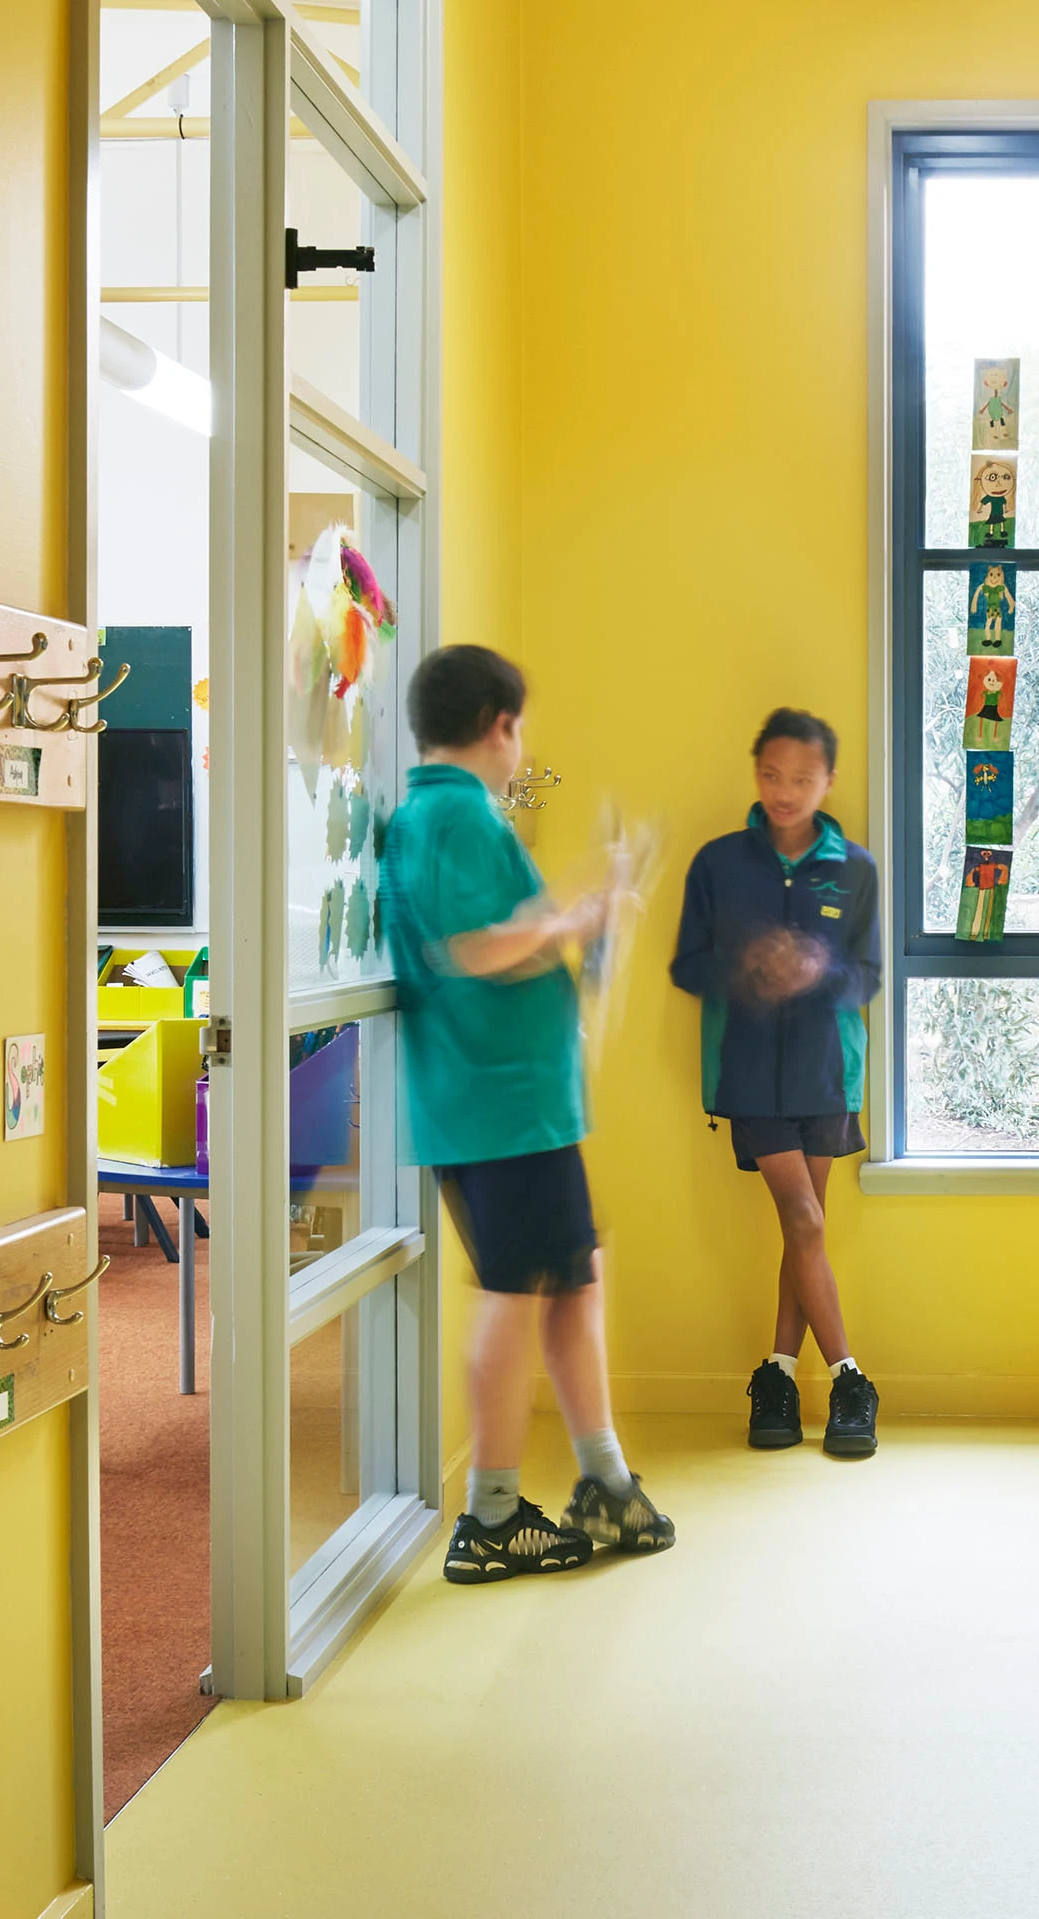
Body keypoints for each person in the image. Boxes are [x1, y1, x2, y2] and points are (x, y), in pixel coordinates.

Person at [378, 643, 676, 1580]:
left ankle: (607, 1486)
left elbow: (503, 940)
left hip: (495, 1104)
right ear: (502, 726)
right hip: (505, 1107)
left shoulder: (423, 816)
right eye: (522, 727)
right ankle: (493, 1517)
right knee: (515, 1297)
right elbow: (473, 946)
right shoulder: (460, 816)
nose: (522, 744)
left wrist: (582, 920)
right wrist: (578, 921)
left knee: (572, 1278)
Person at [671, 709, 883, 1459]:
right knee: (804, 1220)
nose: (785, 791)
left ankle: (778, 1379)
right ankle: (853, 1380)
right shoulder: (718, 863)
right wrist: (748, 967)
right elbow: (685, 967)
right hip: (751, 1071)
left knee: (806, 1231)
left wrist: (818, 971)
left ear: (828, 780)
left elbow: (869, 976)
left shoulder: (854, 869)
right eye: (771, 775)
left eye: (802, 778)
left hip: (829, 1070)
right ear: (755, 771)